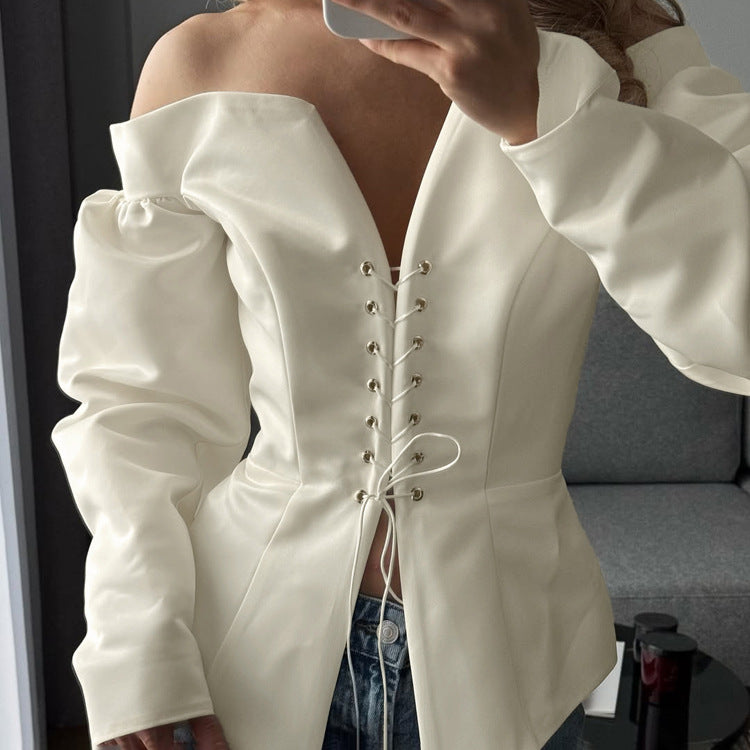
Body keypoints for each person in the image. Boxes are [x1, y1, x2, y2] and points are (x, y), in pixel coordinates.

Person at [51, 0, 750, 747]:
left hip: (513, 676)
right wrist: (136, 641)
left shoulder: (621, 40)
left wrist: (547, 119)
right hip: (248, 665)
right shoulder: (203, 62)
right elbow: (141, 404)